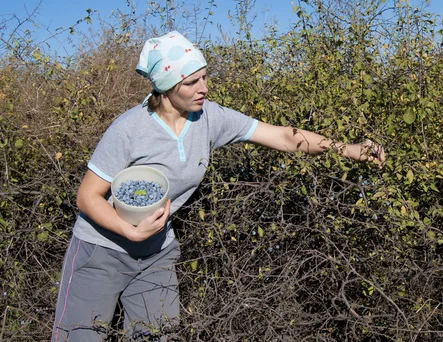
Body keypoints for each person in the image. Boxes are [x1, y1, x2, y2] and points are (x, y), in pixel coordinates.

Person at [52, 31, 385, 341]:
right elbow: (87, 197)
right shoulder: (129, 129)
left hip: (156, 252)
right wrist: (130, 233)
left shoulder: (209, 118)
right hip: (101, 251)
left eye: (205, 77)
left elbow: (283, 136)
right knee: (79, 336)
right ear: (167, 87)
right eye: (191, 81)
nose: (204, 88)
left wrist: (349, 149)